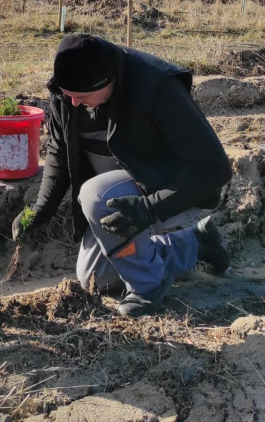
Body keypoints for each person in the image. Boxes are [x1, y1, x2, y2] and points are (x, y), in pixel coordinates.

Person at [13, 33, 232, 317]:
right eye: (68, 95)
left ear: (109, 82)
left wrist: (148, 209)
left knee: (94, 195)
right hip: (118, 196)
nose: (74, 103)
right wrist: (41, 210)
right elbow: (59, 151)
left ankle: (147, 286)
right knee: (96, 277)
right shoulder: (68, 90)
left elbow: (215, 169)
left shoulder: (157, 88)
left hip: (166, 193)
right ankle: (193, 244)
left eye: (81, 96)